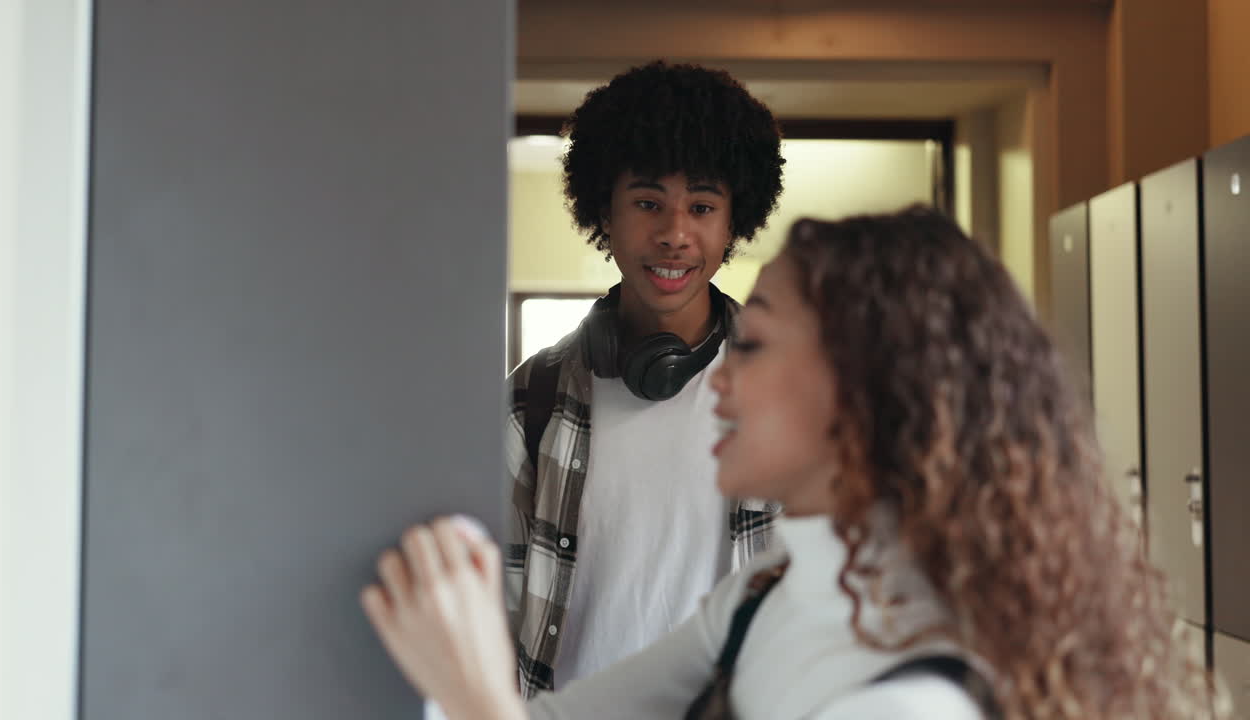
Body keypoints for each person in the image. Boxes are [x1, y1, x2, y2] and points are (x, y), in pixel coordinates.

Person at [361, 207, 1225, 719]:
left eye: (759, 344)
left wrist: (475, 697)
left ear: (866, 388)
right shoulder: (764, 595)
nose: (719, 378)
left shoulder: (915, 699)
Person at [503, 61, 786, 694]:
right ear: (605, 209)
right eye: (648, 202)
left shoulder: (797, 393)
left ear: (734, 221)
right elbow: (501, 610)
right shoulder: (532, 401)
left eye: (703, 206)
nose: (675, 234)